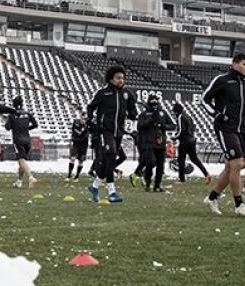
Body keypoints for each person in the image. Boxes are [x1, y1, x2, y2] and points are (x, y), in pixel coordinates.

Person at [201, 52, 245, 217]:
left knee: (244, 163)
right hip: (225, 128)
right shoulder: (222, 80)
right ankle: (239, 204)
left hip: (242, 130)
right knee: (236, 164)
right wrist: (217, 114)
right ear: (235, 64)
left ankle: (212, 197)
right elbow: (204, 99)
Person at [86, 65, 137, 203]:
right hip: (104, 131)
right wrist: (89, 119)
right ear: (111, 79)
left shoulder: (127, 94)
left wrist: (132, 117)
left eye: (122, 78)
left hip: (118, 132)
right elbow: (91, 107)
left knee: (110, 159)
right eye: (118, 78)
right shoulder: (103, 93)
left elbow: (133, 111)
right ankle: (112, 191)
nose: (121, 80)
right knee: (111, 154)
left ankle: (95, 185)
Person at [136, 94, 175, 192]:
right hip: (148, 143)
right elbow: (139, 126)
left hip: (160, 143)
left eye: (155, 100)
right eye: (152, 100)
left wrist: (163, 126)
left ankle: (157, 185)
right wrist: (150, 120)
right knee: (150, 163)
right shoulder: (144, 114)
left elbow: (172, 125)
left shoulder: (163, 113)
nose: (154, 102)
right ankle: (148, 184)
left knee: (160, 165)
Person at [171, 103, 211, 184]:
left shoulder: (180, 117)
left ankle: (181, 180)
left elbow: (181, 131)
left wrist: (174, 137)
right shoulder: (188, 116)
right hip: (192, 140)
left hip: (184, 141)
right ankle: (206, 174)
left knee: (181, 160)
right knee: (194, 159)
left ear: (176, 111)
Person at [7, 96, 39, 189]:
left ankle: (31, 177)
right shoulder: (28, 113)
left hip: (18, 140)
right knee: (22, 162)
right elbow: (35, 124)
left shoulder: (12, 115)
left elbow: (7, 127)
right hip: (27, 140)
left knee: (21, 161)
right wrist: (26, 128)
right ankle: (19, 181)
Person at [68, 112, 88, 181]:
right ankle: (69, 175)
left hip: (83, 145)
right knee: (72, 158)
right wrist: (73, 138)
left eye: (85, 119)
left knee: (80, 161)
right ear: (80, 118)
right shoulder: (75, 123)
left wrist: (74, 139)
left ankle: (76, 177)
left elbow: (85, 138)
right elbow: (73, 131)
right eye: (82, 118)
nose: (83, 120)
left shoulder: (87, 126)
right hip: (76, 144)